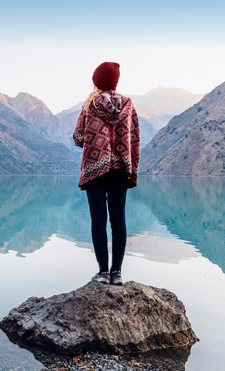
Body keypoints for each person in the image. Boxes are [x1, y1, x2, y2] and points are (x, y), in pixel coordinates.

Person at [72, 62, 140, 285]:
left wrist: (96, 139)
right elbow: (135, 138)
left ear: (97, 81)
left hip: (95, 170)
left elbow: (78, 138)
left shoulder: (90, 106)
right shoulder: (128, 106)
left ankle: (102, 272)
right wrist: (129, 163)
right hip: (120, 169)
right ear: (115, 81)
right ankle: (117, 273)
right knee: (119, 220)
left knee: (98, 221)